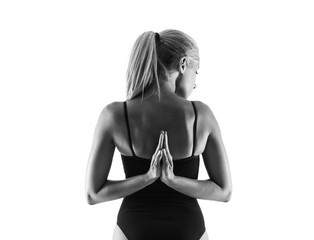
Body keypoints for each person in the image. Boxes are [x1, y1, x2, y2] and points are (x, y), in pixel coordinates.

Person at [85, 29, 232, 240]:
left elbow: (93, 194)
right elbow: (224, 191)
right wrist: (173, 180)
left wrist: (147, 178)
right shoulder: (201, 115)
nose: (195, 82)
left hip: (132, 229)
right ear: (183, 65)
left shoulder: (114, 115)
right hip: (189, 229)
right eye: (196, 72)